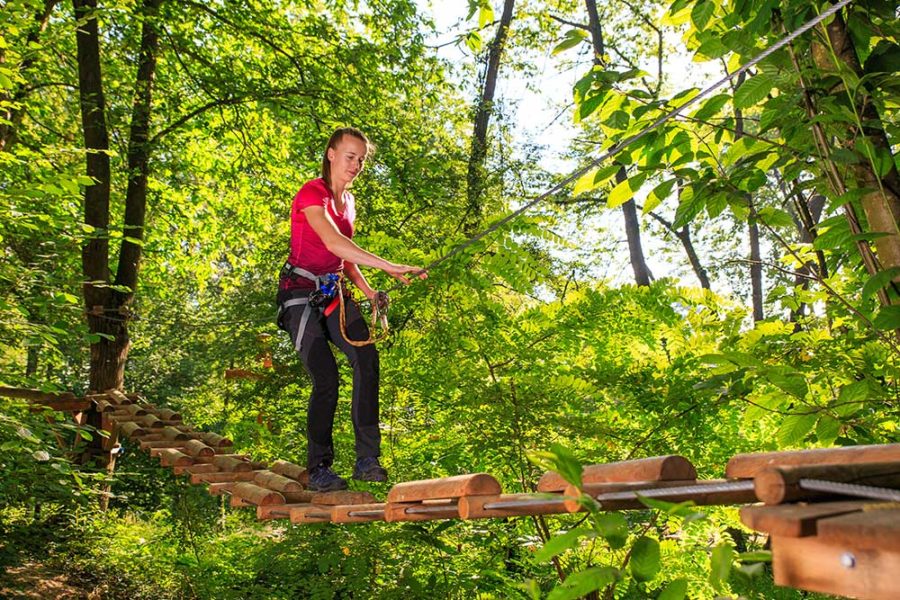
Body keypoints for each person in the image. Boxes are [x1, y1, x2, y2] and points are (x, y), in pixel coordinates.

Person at [276, 127, 425, 492]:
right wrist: (389, 265)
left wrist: (370, 291)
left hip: (333, 293)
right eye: (349, 156)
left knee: (366, 358)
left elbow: (344, 254)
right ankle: (319, 467)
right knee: (326, 378)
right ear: (330, 154)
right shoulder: (312, 194)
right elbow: (331, 240)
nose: (356, 165)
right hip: (299, 292)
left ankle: (366, 459)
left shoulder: (350, 203)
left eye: (361, 159)